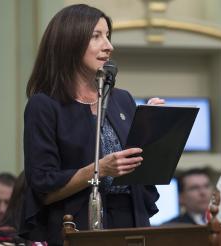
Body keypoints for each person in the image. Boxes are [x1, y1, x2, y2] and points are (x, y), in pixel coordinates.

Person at [19, 4, 164, 245]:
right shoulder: (44, 105)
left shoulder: (122, 99)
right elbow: (42, 188)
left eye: (107, 36)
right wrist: (99, 170)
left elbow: (141, 170)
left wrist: (152, 129)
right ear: (69, 42)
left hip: (132, 219)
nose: (108, 46)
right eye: (96, 36)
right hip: (77, 222)